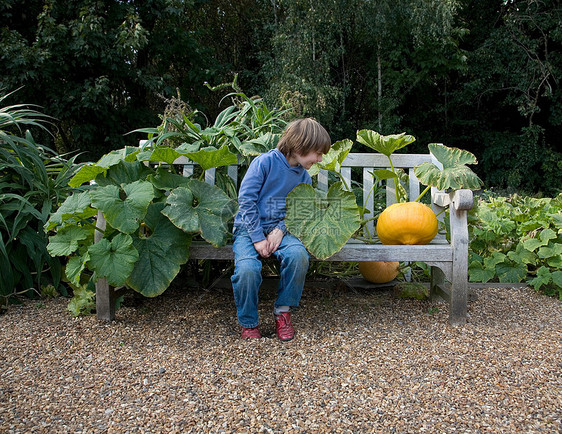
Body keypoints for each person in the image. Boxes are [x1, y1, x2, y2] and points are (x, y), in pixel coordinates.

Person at [231, 118, 331, 340]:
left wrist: (280, 230)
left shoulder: (304, 176)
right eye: (317, 152)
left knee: (298, 256)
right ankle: (248, 322)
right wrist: (257, 238)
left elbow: (298, 210)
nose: (320, 159)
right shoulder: (264, 163)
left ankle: (283, 311)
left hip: (280, 231)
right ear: (299, 147)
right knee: (247, 269)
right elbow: (246, 201)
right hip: (249, 229)